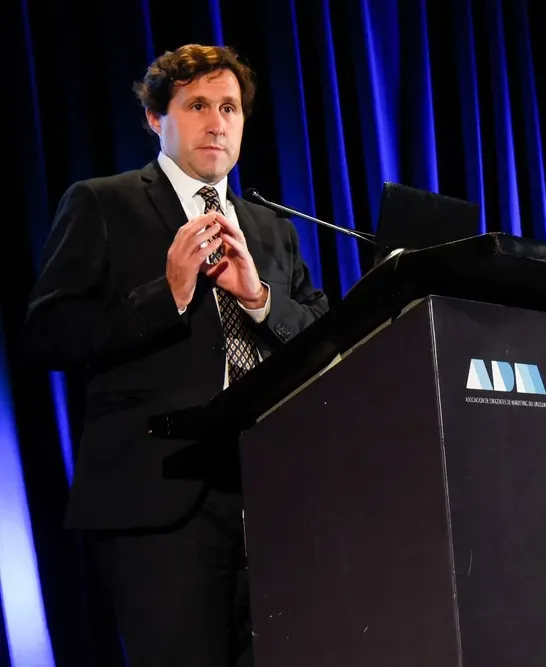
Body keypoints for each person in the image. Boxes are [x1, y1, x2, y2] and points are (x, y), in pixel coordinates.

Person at [23, 44, 329, 666]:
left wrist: (262, 299)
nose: (217, 123)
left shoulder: (272, 227)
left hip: (273, 495)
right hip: (159, 499)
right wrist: (170, 295)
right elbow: (50, 332)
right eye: (197, 106)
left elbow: (324, 340)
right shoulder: (103, 202)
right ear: (155, 118)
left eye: (229, 108)